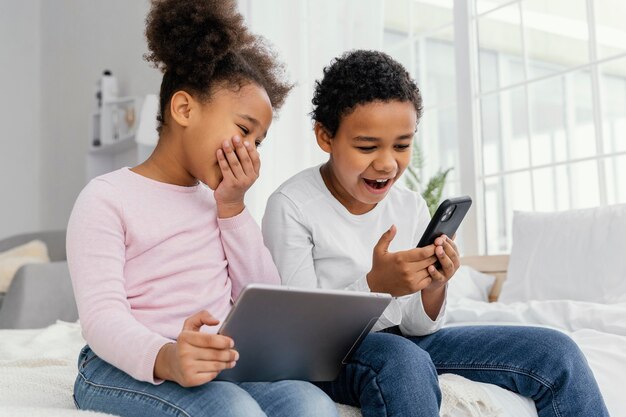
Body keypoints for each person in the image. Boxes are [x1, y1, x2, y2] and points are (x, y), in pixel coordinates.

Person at [262, 49, 610, 417]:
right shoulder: (292, 205)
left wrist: (433, 286)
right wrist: (376, 286)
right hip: (331, 355)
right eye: (367, 147)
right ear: (325, 137)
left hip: (403, 343)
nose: (386, 164)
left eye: (402, 145)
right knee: (403, 360)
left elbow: (416, 325)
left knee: (556, 352)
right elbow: (300, 341)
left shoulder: (409, 204)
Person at [66, 1, 338, 416]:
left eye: (258, 142)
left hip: (215, 362)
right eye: (243, 130)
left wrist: (233, 208)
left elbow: (262, 297)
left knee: (312, 405)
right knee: (233, 410)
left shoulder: (223, 204)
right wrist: (168, 356)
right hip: (121, 363)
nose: (249, 150)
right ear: (184, 109)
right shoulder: (106, 197)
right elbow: (102, 319)